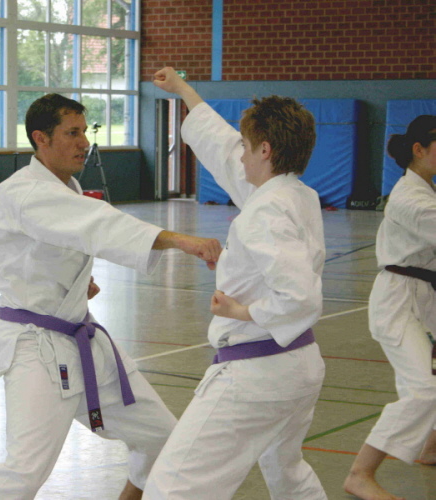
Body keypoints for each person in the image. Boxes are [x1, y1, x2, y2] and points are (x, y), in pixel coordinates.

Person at [0, 93, 222, 500]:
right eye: (72, 133)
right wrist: (177, 240)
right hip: (38, 351)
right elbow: (96, 224)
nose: (84, 143)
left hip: (84, 340)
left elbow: (47, 249)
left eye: (84, 132)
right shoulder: (23, 191)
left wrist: (75, 281)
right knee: (24, 471)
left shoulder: (68, 187)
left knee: (164, 440)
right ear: (41, 138)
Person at [143, 68, 328, 500]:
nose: (239, 154)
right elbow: (222, 148)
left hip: (257, 373)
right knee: (288, 473)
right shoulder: (295, 195)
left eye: (246, 146)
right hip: (297, 364)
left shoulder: (264, 210)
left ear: (265, 149)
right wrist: (183, 91)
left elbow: (299, 296)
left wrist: (241, 310)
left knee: (173, 487)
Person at [343, 115, 436, 500]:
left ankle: (430, 447)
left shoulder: (426, 190)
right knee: (424, 389)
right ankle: (360, 474)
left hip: (425, 294)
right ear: (419, 150)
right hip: (398, 299)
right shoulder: (410, 199)